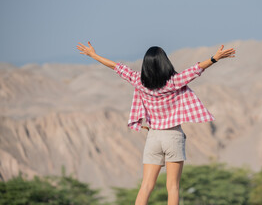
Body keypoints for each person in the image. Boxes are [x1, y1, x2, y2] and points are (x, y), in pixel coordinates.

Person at [76, 41, 235, 205]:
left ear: (146, 65)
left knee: (145, 187)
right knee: (172, 187)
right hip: (173, 136)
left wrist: (93, 55)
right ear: (165, 63)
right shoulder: (174, 82)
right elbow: (196, 69)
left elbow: (116, 67)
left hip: (153, 138)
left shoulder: (138, 81)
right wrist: (214, 58)